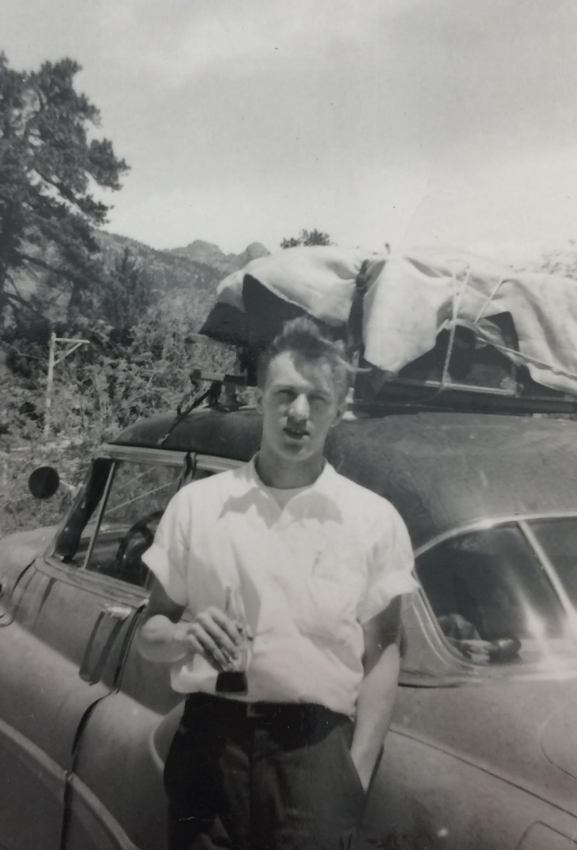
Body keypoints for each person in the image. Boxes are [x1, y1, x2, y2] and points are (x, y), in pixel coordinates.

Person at [137, 316, 417, 850]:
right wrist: (184, 636)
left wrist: (352, 775)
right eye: (285, 393)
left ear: (339, 410)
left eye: (318, 398)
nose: (299, 413)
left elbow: (382, 657)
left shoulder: (372, 520)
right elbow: (151, 632)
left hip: (314, 759)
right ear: (261, 396)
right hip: (209, 751)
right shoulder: (198, 506)